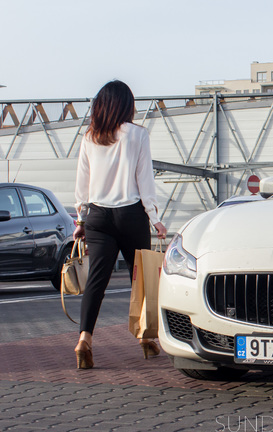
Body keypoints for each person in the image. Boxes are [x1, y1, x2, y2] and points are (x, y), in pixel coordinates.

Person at [73, 80, 167, 369]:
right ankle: (145, 339)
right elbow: (144, 181)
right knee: (140, 278)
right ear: (127, 105)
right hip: (131, 215)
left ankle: (84, 340)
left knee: (96, 282)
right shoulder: (138, 134)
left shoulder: (90, 136)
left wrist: (80, 219)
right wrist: (155, 218)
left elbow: (82, 183)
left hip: (98, 217)